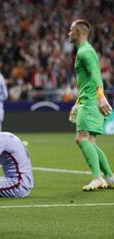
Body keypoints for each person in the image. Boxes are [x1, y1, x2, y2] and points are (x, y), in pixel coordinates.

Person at [68, 19, 114, 191]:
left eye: (71, 30)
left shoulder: (84, 53)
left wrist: (101, 97)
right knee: (91, 143)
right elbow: (86, 82)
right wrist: (76, 103)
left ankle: (97, 178)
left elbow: (96, 75)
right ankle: (109, 177)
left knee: (81, 138)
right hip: (88, 101)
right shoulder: (88, 51)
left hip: (90, 102)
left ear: (78, 32)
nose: (68, 33)